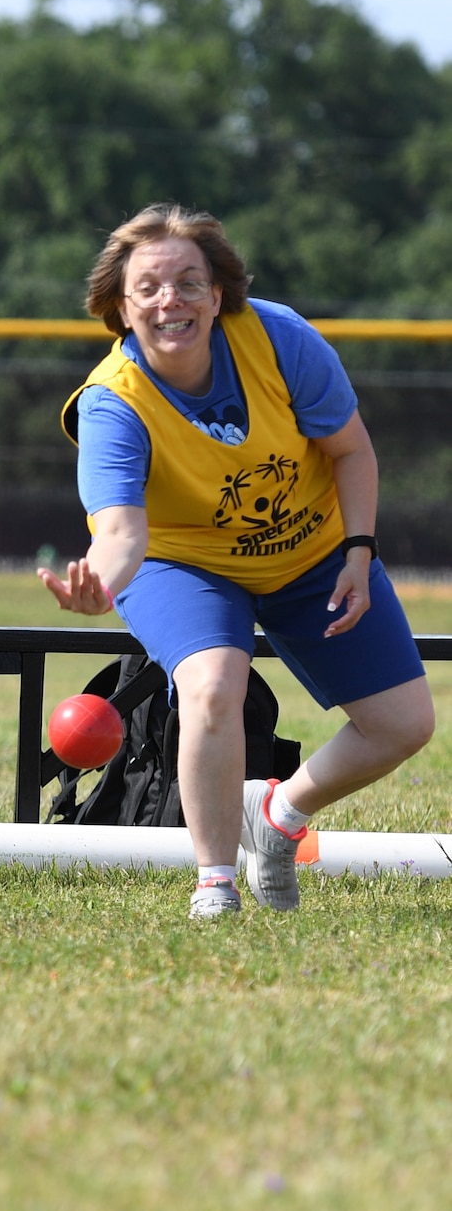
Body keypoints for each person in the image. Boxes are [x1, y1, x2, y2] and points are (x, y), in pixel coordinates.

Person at [39, 202, 433, 919]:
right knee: (214, 685)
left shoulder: (278, 338)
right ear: (120, 311)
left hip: (313, 551)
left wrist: (358, 550)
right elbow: (123, 533)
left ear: (218, 295)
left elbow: (351, 450)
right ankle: (215, 882)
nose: (171, 301)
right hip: (183, 563)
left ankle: (278, 817)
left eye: (189, 282)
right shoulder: (110, 404)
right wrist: (103, 585)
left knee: (404, 724)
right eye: (150, 288)